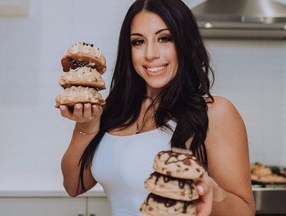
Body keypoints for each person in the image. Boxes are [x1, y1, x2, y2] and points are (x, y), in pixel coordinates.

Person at [59, 0, 256, 215]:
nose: (150, 54)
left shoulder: (214, 111)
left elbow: (244, 211)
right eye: (137, 42)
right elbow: (73, 186)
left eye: (165, 38)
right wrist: (86, 125)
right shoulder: (115, 111)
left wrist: (212, 192)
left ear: (185, 42)